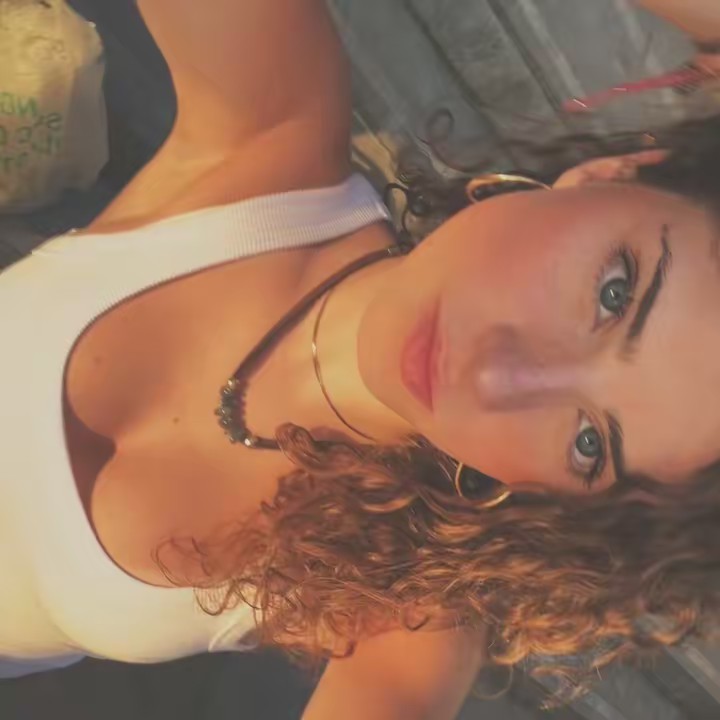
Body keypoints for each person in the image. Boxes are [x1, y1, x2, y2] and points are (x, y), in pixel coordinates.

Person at [2, 0, 720, 717]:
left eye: (588, 443)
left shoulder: (408, 599)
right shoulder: (273, 134)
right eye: (615, 292)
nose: (497, 377)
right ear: (614, 175)